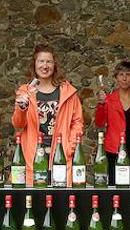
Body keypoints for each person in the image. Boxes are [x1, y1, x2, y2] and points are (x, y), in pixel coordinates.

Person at [11, 45, 84, 184]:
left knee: (61, 201)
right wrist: (21, 108)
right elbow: (18, 124)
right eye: (41, 61)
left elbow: (77, 122)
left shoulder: (67, 92)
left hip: (61, 155)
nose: (45, 66)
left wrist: (70, 147)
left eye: (49, 61)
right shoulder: (25, 91)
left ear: (54, 65)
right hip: (34, 156)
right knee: (35, 200)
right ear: (34, 64)